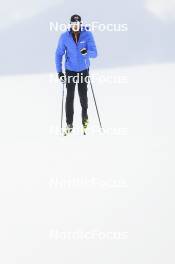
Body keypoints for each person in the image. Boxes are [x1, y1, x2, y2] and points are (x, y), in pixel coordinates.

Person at [55, 14, 98, 134]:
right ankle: (69, 123)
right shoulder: (64, 37)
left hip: (83, 69)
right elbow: (58, 54)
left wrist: (86, 52)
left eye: (77, 24)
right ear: (70, 25)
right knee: (70, 97)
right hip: (70, 70)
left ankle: (85, 118)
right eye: (73, 24)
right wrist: (59, 72)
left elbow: (95, 53)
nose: (75, 26)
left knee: (83, 96)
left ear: (80, 24)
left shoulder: (87, 34)